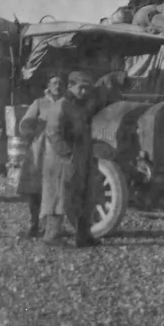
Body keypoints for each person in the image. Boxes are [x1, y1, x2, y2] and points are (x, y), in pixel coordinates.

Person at [40, 71, 102, 248]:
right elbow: (53, 133)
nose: (84, 92)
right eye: (81, 88)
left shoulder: (80, 106)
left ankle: (83, 236)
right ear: (70, 86)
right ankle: (51, 236)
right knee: (58, 197)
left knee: (84, 196)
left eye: (87, 89)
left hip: (81, 158)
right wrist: (68, 155)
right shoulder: (61, 106)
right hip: (62, 160)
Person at [17, 73, 66, 238]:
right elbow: (24, 123)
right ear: (48, 85)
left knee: (55, 189)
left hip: (58, 151)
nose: (57, 86)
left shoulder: (67, 104)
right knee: (35, 189)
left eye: (60, 83)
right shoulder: (39, 103)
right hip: (39, 151)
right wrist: (33, 132)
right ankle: (33, 225)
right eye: (54, 83)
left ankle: (51, 229)